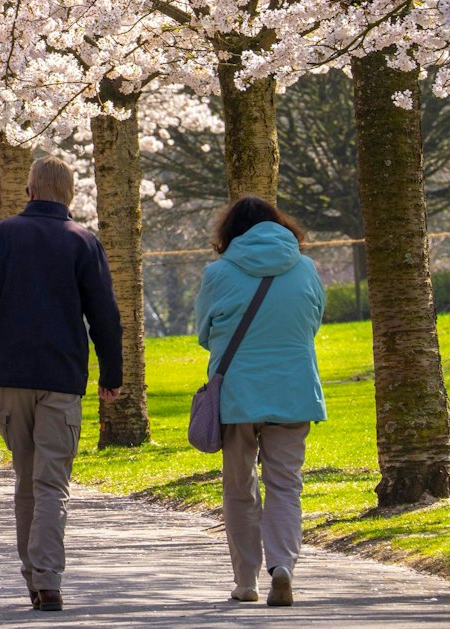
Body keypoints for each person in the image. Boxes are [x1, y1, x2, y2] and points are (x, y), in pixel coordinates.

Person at [0, 156, 123, 614]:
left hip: (12, 377)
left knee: (25, 480)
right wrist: (111, 375)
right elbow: (105, 316)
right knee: (52, 483)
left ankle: (33, 577)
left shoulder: (0, 236)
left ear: (29, 191)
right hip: (61, 377)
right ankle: (48, 579)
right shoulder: (83, 241)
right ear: (70, 194)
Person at [195, 196, 326, 608]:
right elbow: (314, 321)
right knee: (285, 484)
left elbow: (203, 332)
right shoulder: (305, 268)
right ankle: (283, 565)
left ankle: (246, 580)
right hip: (294, 390)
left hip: (237, 394)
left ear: (229, 232)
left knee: (239, 488)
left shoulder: (218, 273)